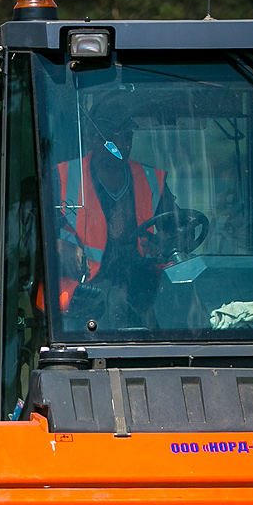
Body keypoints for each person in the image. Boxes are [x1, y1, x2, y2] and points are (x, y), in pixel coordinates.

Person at [54, 93, 178, 330]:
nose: (121, 146)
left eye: (127, 137)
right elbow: (29, 235)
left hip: (143, 294)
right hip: (80, 303)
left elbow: (176, 231)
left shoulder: (153, 180)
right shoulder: (60, 177)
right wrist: (58, 247)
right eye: (112, 138)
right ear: (90, 138)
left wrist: (166, 242)